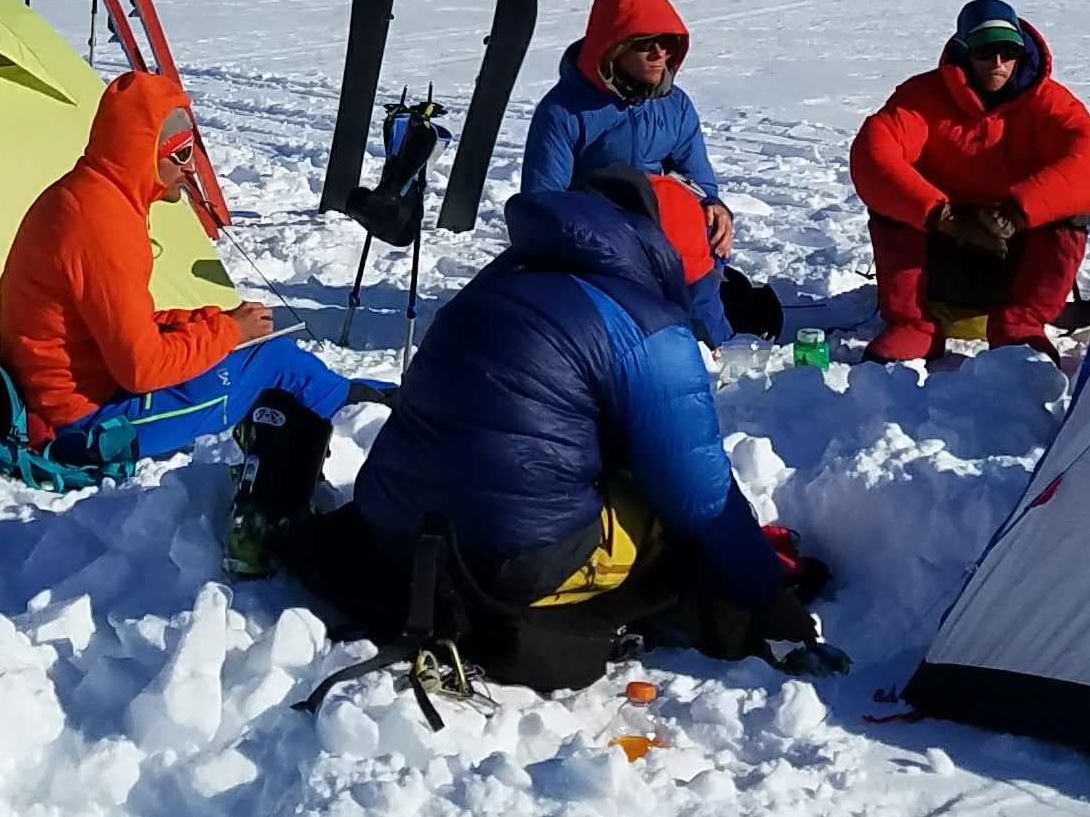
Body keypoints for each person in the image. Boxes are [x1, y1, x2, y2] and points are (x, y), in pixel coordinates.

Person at [270, 173, 817, 690]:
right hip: (507, 561)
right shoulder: (648, 325)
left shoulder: (504, 275)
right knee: (658, 510)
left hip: (389, 524)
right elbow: (699, 494)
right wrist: (770, 596)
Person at [0, 69, 366, 463]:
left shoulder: (88, 195)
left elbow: (116, 326)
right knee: (274, 362)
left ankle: (353, 403)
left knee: (260, 353)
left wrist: (210, 323)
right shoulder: (102, 225)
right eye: (181, 153)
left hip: (72, 390)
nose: (192, 168)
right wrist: (226, 333)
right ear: (143, 152)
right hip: (89, 419)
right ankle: (361, 419)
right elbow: (141, 367)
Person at [849, 0, 1090, 363]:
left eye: (1009, 51)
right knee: (892, 201)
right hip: (940, 257)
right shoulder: (920, 100)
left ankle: (1022, 324)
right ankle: (912, 325)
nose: (998, 63)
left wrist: (1016, 213)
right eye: (985, 50)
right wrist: (944, 218)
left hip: (1013, 258)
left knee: (1073, 205)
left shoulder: (1050, 104)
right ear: (963, 50)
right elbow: (872, 155)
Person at [525, 0, 749, 342]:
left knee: (696, 234)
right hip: (596, 233)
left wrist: (715, 206)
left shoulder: (675, 105)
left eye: (668, 43)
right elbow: (542, 203)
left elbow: (698, 179)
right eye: (645, 44)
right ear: (612, 48)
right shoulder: (563, 111)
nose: (660, 53)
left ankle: (711, 342)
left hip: (663, 225)